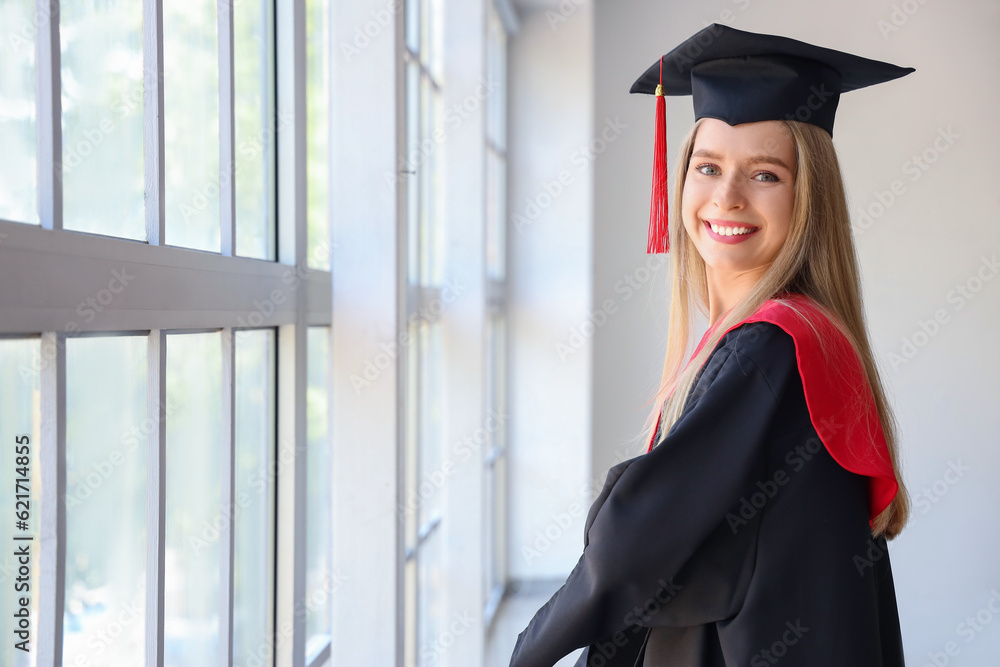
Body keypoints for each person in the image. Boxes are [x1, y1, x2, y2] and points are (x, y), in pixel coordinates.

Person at [508, 24, 914, 667]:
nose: (726, 196)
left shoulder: (769, 352)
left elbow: (630, 545)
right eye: (708, 166)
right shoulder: (809, 336)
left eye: (765, 174)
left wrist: (526, 650)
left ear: (810, 197)